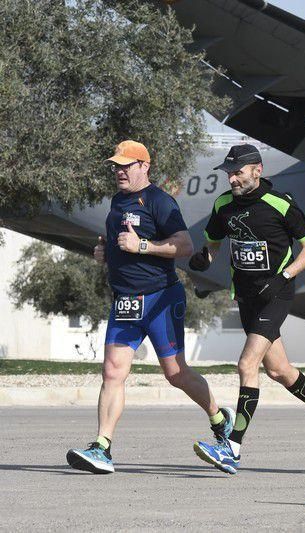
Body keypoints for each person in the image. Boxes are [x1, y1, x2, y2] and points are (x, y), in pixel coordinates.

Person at [67, 140, 233, 474]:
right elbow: (119, 242)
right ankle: (102, 447)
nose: (119, 171)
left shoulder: (158, 200)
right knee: (113, 371)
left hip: (160, 299)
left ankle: (218, 417)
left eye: (126, 165)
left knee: (176, 374)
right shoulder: (118, 201)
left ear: (145, 165)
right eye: (116, 165)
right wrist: (104, 253)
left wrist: (141, 245)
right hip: (125, 302)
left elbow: (184, 246)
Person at [190, 144, 305, 475]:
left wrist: (283, 278)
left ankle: (231, 448)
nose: (231, 178)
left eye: (237, 172)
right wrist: (203, 259)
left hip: (276, 295)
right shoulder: (223, 206)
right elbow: (213, 245)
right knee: (279, 370)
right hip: (247, 296)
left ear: (256, 171)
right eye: (228, 173)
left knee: (247, 364)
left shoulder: (281, 205)